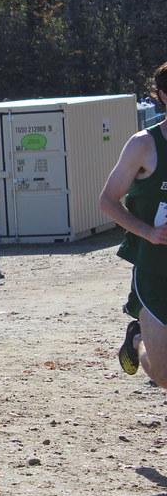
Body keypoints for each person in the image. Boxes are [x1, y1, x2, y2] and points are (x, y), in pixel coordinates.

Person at [99, 62, 167, 384]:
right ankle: (138, 338)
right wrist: (148, 232)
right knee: (165, 375)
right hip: (156, 267)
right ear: (163, 96)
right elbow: (108, 200)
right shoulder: (144, 144)